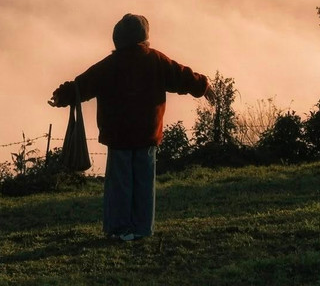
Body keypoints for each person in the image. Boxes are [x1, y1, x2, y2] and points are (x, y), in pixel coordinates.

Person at [49, 13, 214, 242]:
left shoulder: (109, 65)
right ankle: (142, 229)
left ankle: (119, 229)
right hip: (147, 134)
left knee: (120, 184)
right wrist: (203, 87)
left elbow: (82, 85)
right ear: (144, 37)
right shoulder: (156, 60)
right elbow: (182, 76)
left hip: (119, 136)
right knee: (144, 184)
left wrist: (61, 96)